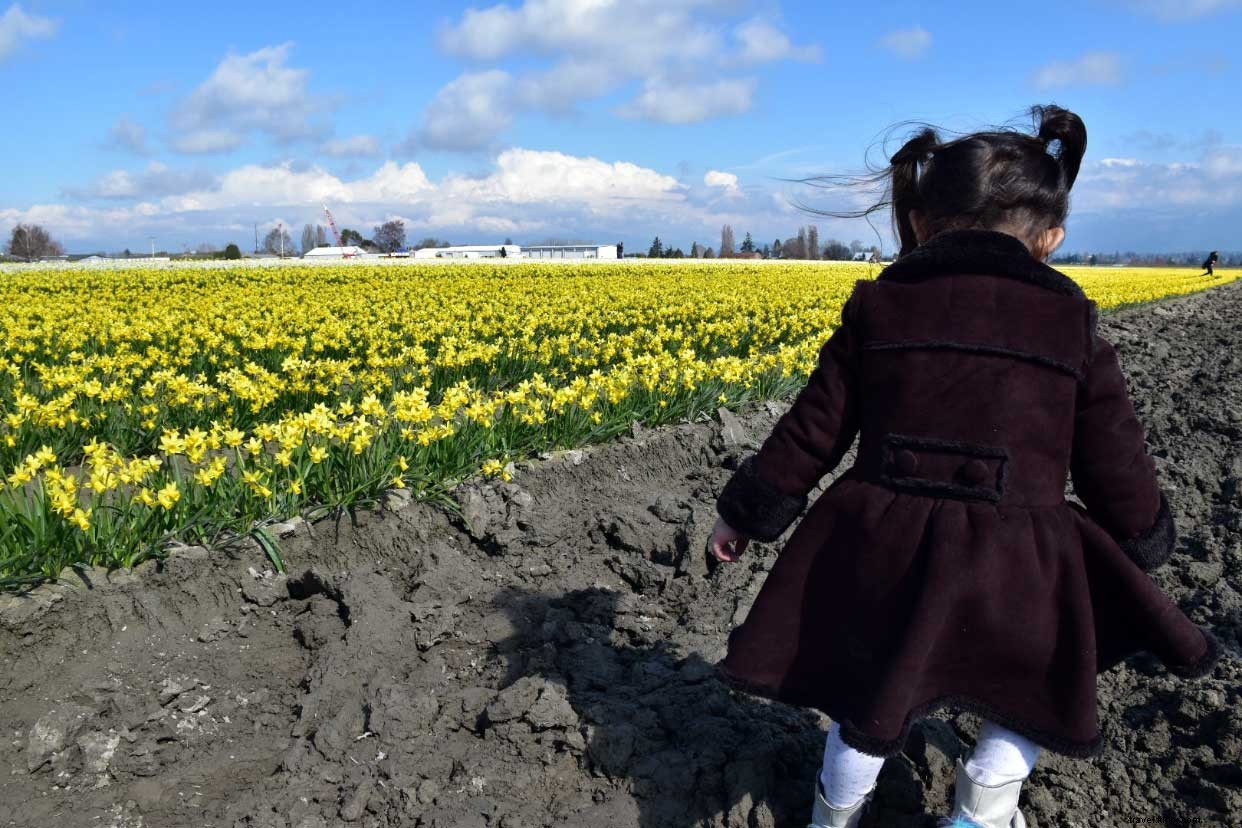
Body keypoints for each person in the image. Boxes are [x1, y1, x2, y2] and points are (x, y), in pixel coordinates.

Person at [707, 105, 1218, 828]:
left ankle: (837, 813)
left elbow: (814, 427)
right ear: (1052, 238)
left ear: (919, 220)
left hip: (882, 541)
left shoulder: (880, 307)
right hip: (1021, 555)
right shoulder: (1071, 320)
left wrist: (747, 512)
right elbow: (1114, 457)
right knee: (1033, 683)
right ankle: (984, 802)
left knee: (872, 696)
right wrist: (1142, 539)